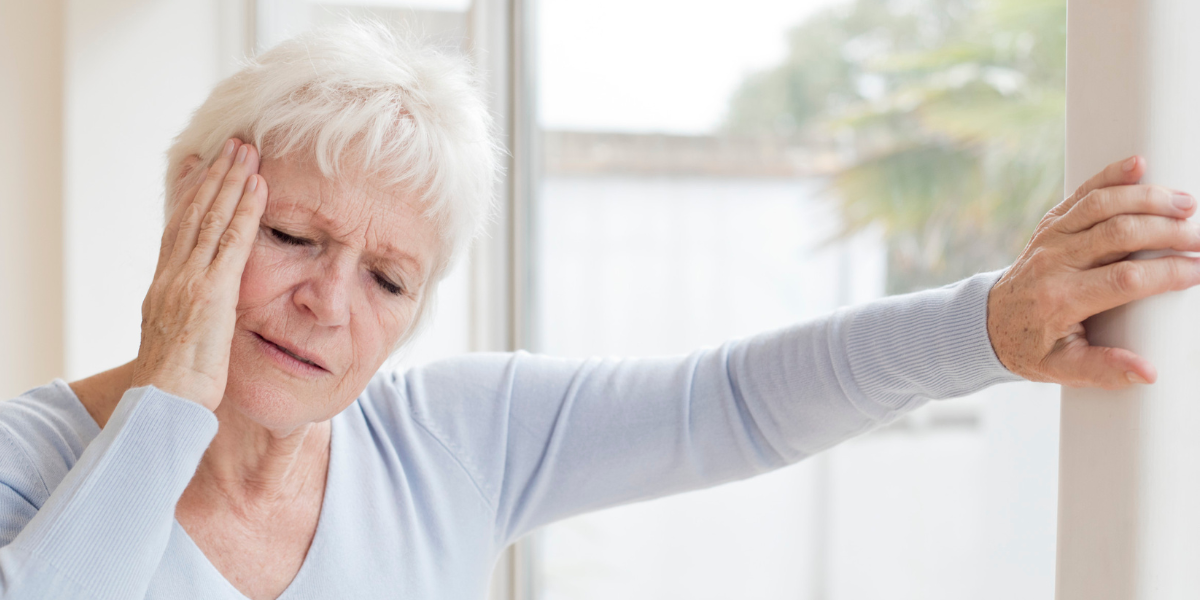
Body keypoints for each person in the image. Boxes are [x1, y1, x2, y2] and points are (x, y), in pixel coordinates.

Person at [3, 22, 1200, 600]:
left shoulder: (450, 444)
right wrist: (170, 390)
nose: (325, 303)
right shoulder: (27, 467)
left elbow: (724, 402)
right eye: (292, 237)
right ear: (189, 220)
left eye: (387, 279)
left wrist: (985, 327)